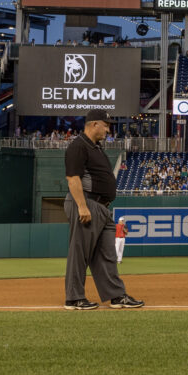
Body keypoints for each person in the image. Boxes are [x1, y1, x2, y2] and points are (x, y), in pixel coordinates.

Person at [63, 109, 144, 310]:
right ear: (93, 124)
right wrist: (82, 206)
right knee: (79, 253)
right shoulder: (78, 146)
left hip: (101, 208)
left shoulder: (96, 148)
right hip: (86, 203)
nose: (108, 128)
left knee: (107, 253)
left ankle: (116, 296)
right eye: (106, 124)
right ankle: (73, 299)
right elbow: (73, 178)